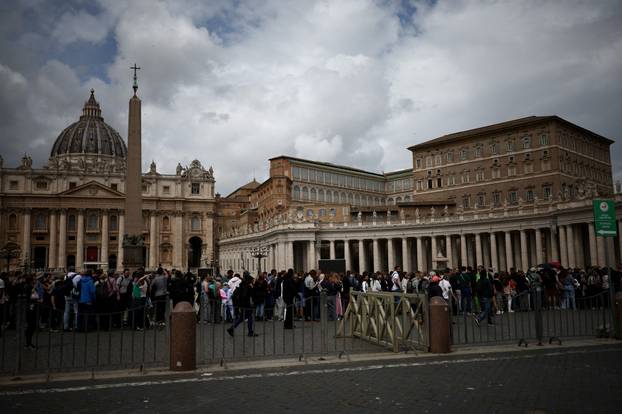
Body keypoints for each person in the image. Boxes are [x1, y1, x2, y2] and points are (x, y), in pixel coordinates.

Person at [227, 272, 257, 337]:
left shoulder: (241, 283)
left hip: (241, 304)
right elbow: (245, 295)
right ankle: (250, 332)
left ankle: (231, 328)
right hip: (246, 304)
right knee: (249, 317)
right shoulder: (247, 285)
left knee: (241, 318)